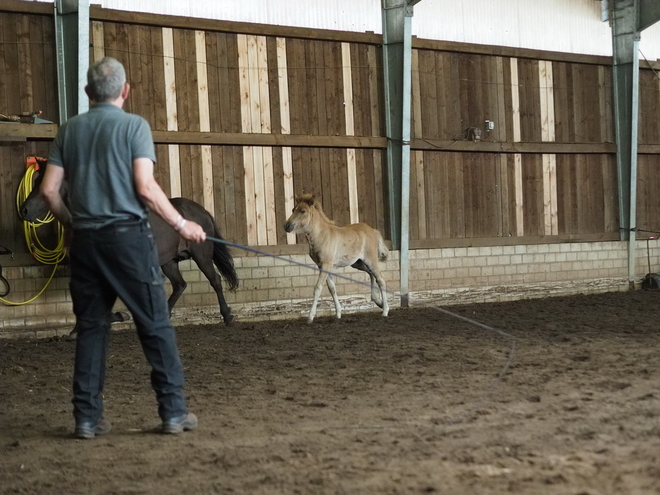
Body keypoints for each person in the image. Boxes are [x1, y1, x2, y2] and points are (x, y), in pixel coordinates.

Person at [40, 57, 206, 439]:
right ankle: (173, 412)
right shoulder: (135, 127)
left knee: (92, 329)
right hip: (128, 241)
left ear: (87, 93)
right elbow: (146, 188)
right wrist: (182, 224)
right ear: (125, 90)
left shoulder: (69, 131)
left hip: (85, 244)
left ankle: (86, 418)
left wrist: (73, 223)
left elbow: (49, 191)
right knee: (155, 325)